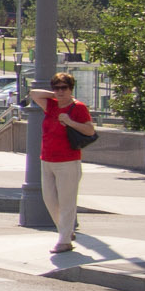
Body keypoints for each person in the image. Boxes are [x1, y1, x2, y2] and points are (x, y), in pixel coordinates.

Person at [33, 71, 93, 254]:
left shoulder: (78, 107)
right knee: (50, 200)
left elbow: (90, 131)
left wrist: (70, 121)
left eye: (64, 88)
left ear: (71, 88)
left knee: (67, 202)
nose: (60, 91)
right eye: (56, 88)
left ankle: (64, 240)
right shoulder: (51, 105)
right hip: (47, 159)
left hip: (68, 161)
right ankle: (66, 231)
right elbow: (34, 94)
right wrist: (56, 95)